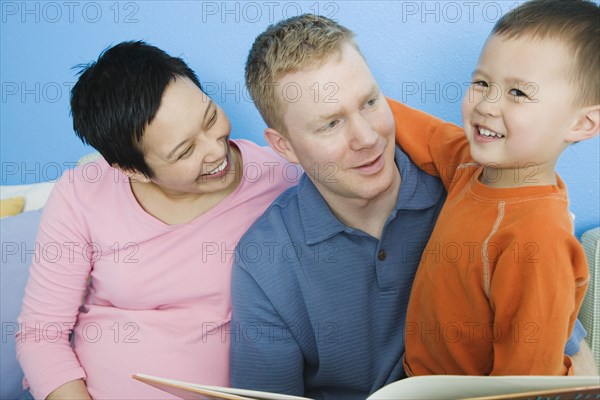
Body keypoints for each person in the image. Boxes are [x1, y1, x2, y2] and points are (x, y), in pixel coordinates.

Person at [229, 14, 595, 400]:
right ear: (283, 146)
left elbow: (547, 337)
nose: (368, 138)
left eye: (370, 102)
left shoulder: (474, 184)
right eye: (331, 124)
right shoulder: (262, 262)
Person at [16, 41, 299, 400]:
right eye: (185, 151)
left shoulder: (283, 179)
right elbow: (41, 335)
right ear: (132, 169)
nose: (215, 150)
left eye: (210, 118)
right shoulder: (81, 193)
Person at [399, 0, 599, 376]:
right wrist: (356, 102)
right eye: (482, 83)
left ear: (583, 124)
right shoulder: (471, 164)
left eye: (518, 93)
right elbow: (421, 131)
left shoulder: (537, 241)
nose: (487, 105)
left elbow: (526, 381)